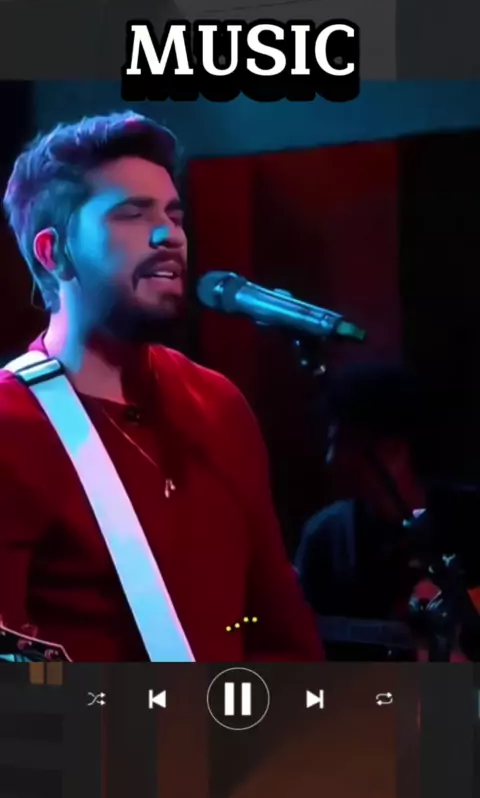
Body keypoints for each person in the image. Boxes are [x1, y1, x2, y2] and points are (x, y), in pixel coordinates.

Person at [0, 111, 323, 662]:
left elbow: (278, 624)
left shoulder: (218, 403)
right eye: (132, 214)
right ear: (54, 253)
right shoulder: (12, 426)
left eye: (175, 215)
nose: (169, 234)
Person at [295, 362, 429, 659]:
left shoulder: (467, 523)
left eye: (343, 442)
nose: (331, 459)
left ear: (393, 449)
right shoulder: (325, 537)